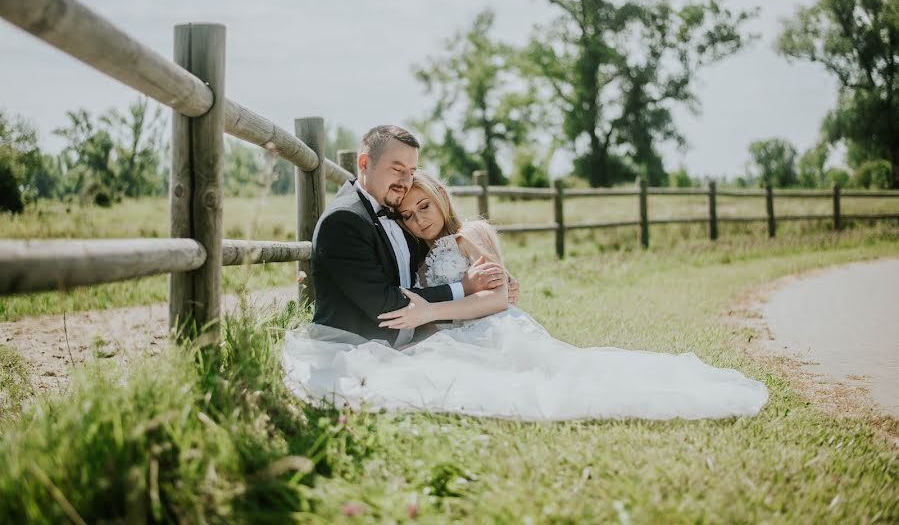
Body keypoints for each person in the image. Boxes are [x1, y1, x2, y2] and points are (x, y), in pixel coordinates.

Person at [283, 170, 769, 421]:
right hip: (454, 330)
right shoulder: (421, 245)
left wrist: (432, 309)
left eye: (425, 206)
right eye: (408, 214)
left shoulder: (469, 234)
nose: (418, 219)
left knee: (541, 383)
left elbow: (497, 299)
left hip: (492, 328)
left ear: (442, 198)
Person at [306, 125, 515, 348]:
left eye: (412, 172)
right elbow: (387, 306)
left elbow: (444, 258)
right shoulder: (343, 220)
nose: (406, 181)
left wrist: (502, 278)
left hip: (426, 338)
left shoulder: (398, 214)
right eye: (397, 169)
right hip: (357, 345)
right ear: (365, 163)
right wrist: (464, 288)